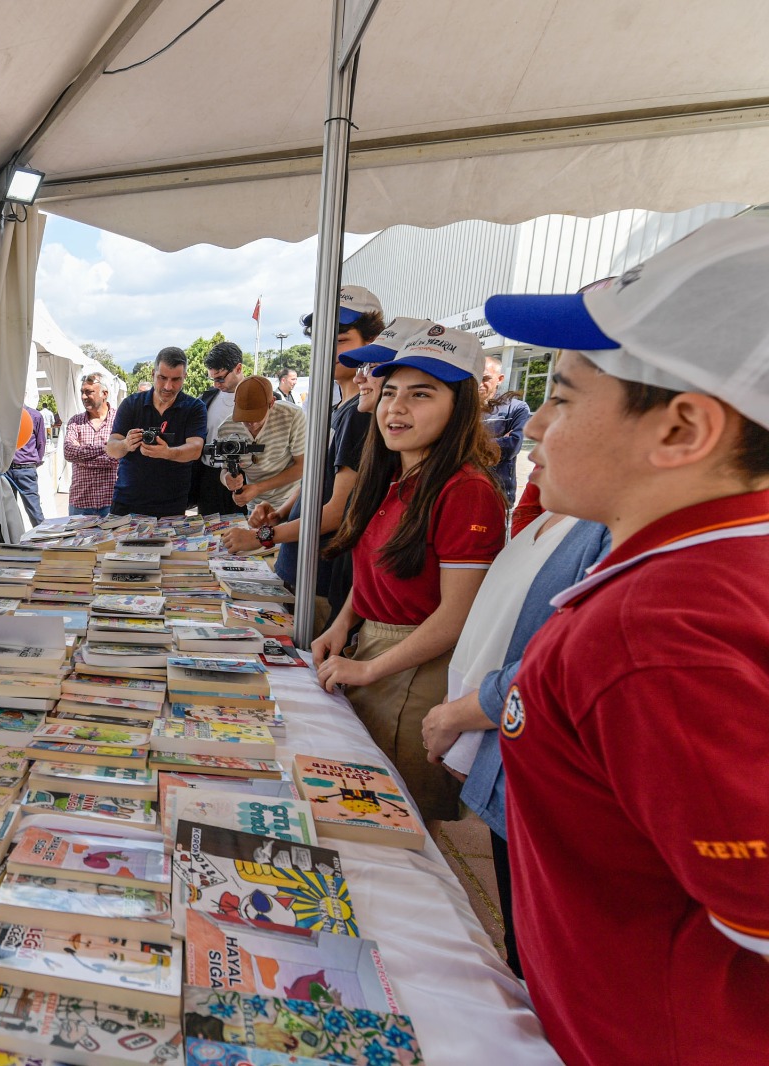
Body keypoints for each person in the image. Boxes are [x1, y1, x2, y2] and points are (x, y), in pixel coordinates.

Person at [480, 220, 769, 1064]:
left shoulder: (657, 630)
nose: (533, 427)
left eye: (564, 396)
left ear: (682, 430)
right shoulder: (694, 579)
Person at [311, 324, 505, 824]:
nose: (396, 408)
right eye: (391, 392)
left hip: (417, 666)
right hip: (375, 649)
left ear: (460, 404)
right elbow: (379, 566)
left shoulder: (466, 490)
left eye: (421, 395)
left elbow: (457, 615)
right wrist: (342, 624)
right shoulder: (399, 473)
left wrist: (372, 668)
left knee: (397, 824)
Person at [420, 482, 609, 977]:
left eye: (565, 402)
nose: (539, 421)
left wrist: (458, 717)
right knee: (524, 945)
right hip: (518, 768)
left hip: (554, 785)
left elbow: (559, 661)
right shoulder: (569, 508)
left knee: (551, 963)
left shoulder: (620, 527)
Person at [229, 309, 396, 626]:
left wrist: (264, 536)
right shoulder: (339, 408)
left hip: (319, 575)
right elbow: (318, 478)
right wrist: (282, 511)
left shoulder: (359, 415)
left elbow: (336, 511)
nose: (328, 351)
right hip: (299, 564)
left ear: (370, 345)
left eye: (342, 340)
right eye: (321, 342)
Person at [106, 347, 207, 517]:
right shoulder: (131, 404)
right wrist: (125, 444)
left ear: (185, 377)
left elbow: (196, 449)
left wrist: (167, 453)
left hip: (171, 506)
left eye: (176, 379)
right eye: (162, 378)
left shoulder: (194, 408)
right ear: (153, 373)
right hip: (126, 504)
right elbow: (111, 448)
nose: (168, 386)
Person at [216, 376, 306, 515]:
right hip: (256, 506)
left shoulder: (291, 416)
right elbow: (225, 469)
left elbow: (302, 467)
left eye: (257, 416)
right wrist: (227, 480)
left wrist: (258, 488)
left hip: (291, 502)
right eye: (244, 417)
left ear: (271, 403)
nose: (251, 423)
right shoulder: (226, 428)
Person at [194, 341, 244, 515]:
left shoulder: (261, 396)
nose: (216, 384)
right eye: (212, 379)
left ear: (238, 368)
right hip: (209, 479)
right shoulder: (206, 399)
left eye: (220, 378)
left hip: (246, 479)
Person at [63, 372, 119, 516]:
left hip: (112, 501)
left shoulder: (120, 420)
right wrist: (106, 449)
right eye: (82, 392)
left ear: (104, 393)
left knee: (114, 539)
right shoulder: (75, 421)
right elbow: (69, 452)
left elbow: (120, 457)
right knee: (77, 539)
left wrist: (82, 458)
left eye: (89, 392)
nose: (83, 397)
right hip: (81, 502)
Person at [479, 356, 531, 505]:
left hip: (499, 496)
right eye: (475, 377)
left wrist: (467, 446)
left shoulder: (515, 408)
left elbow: (513, 445)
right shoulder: (460, 409)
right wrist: (499, 441)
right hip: (461, 494)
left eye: (485, 378)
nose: (479, 384)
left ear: (500, 379)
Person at [7, 399, 47, 525]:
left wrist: (33, 463)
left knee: (34, 512)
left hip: (26, 469)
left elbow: (41, 443)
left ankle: (43, 540)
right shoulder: (5, 415)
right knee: (9, 513)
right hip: (7, 470)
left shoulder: (35, 415)